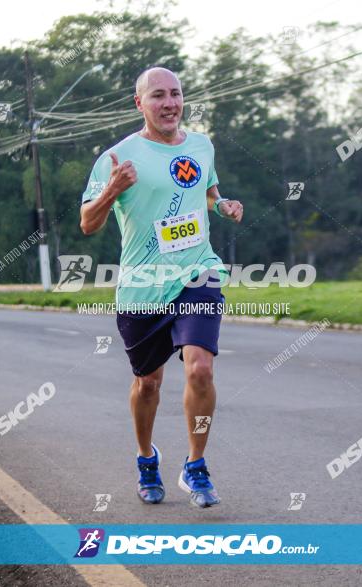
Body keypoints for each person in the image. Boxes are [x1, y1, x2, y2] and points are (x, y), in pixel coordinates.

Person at [80, 67, 243, 508]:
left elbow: (206, 188)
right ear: (140, 104)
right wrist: (113, 189)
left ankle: (195, 465)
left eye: (175, 94)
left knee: (200, 369)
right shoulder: (115, 158)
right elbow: (88, 223)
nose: (169, 103)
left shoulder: (201, 145)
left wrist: (222, 204)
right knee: (148, 384)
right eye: (158, 96)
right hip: (143, 285)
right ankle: (146, 457)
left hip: (198, 272)